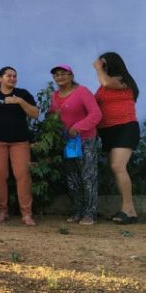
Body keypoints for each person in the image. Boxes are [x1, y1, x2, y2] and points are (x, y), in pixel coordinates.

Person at [0, 66, 39, 226]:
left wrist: (20, 101)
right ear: (0, 78)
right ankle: (2, 211)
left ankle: (26, 214)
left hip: (20, 141)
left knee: (23, 175)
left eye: (14, 76)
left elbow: (35, 114)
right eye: (8, 76)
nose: (12, 78)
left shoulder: (23, 94)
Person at [49, 64, 102, 225]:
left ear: (71, 76)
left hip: (85, 139)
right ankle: (77, 211)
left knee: (88, 176)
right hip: (67, 142)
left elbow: (96, 114)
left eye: (63, 74)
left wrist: (77, 127)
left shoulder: (82, 92)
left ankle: (90, 213)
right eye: (56, 75)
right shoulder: (54, 96)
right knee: (72, 178)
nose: (60, 77)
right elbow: (53, 116)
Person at [93, 52, 140, 224]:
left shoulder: (122, 80)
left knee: (117, 166)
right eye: (101, 65)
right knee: (116, 168)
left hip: (125, 127)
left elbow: (106, 82)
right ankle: (128, 210)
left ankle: (128, 209)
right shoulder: (104, 85)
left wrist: (98, 68)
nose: (102, 67)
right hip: (108, 130)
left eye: (104, 64)